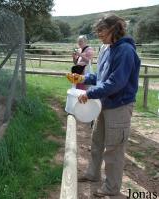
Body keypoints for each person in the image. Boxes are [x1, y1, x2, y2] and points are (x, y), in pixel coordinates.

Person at [67, 14, 141, 197]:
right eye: (97, 30)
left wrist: (89, 93)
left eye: (101, 30)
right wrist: (83, 78)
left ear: (115, 28)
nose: (98, 33)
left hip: (119, 106)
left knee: (114, 148)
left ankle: (111, 188)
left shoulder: (125, 51)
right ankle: (93, 174)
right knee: (97, 141)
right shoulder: (107, 49)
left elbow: (116, 83)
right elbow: (101, 77)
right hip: (105, 103)